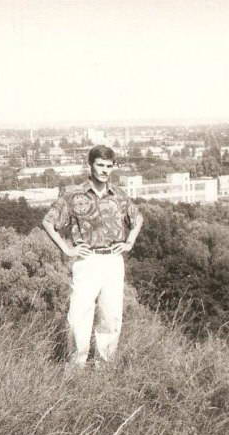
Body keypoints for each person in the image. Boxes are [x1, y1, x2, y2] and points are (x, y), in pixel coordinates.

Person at [42, 145, 144, 371]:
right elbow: (48, 222)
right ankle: (75, 368)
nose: (104, 170)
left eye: (109, 166)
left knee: (111, 317)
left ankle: (104, 369)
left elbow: (138, 219)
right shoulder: (73, 195)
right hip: (87, 262)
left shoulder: (119, 195)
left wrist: (129, 243)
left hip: (113, 261)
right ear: (90, 165)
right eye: (100, 165)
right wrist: (67, 249)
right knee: (79, 316)